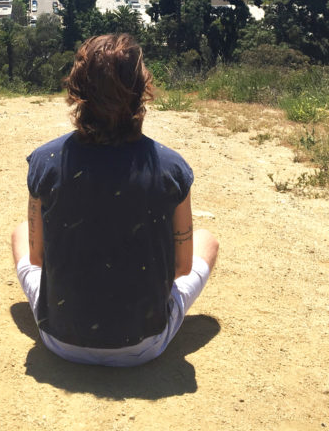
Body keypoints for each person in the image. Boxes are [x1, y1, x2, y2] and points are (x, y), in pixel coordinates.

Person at [11, 33, 218, 367]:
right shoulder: (171, 167)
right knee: (207, 241)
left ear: (77, 90)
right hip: (144, 344)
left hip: (60, 338)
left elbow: (36, 257)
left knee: (21, 232)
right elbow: (181, 267)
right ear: (142, 89)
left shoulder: (45, 161)